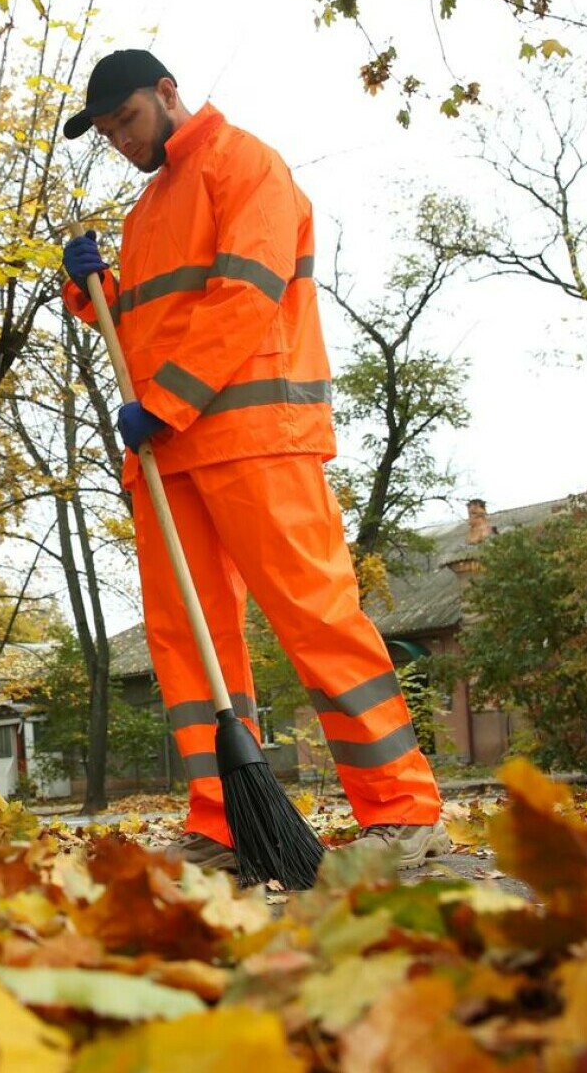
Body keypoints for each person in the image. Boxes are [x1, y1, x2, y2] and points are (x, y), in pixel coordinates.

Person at [59, 50, 448, 871]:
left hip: (254, 435)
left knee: (314, 614)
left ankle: (402, 809)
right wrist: (94, 293)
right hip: (167, 453)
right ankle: (226, 820)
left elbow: (245, 296)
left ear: (167, 92)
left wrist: (160, 404)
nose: (120, 141)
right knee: (187, 643)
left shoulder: (246, 165)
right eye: (105, 134)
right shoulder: (147, 208)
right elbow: (146, 333)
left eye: (125, 119)